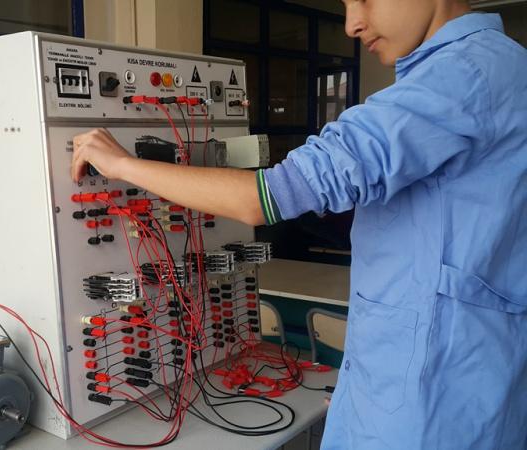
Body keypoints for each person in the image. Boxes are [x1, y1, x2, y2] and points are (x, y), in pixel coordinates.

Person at [71, 0, 527, 448]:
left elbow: (267, 197)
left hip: (428, 404)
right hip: (447, 385)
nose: (352, 24)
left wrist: (122, 165)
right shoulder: (503, 66)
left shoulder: (461, 77)